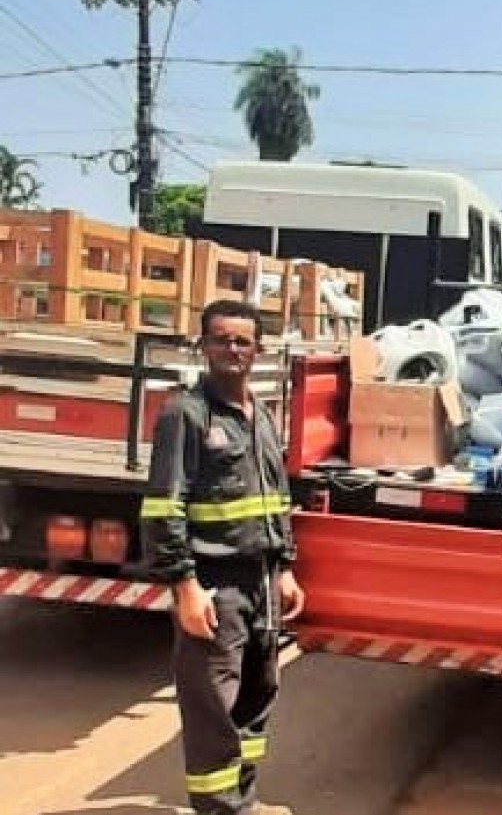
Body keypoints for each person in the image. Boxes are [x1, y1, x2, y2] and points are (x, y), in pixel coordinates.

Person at [141, 300, 304, 815]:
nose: (232, 350)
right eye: (221, 340)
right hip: (214, 583)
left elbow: (278, 500)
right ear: (203, 346)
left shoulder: (262, 418)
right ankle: (218, 808)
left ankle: (244, 800)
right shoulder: (186, 415)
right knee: (214, 703)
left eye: (242, 341)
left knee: (258, 693)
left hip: (262, 581)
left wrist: (286, 569)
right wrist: (184, 585)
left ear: (258, 350)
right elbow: (164, 508)